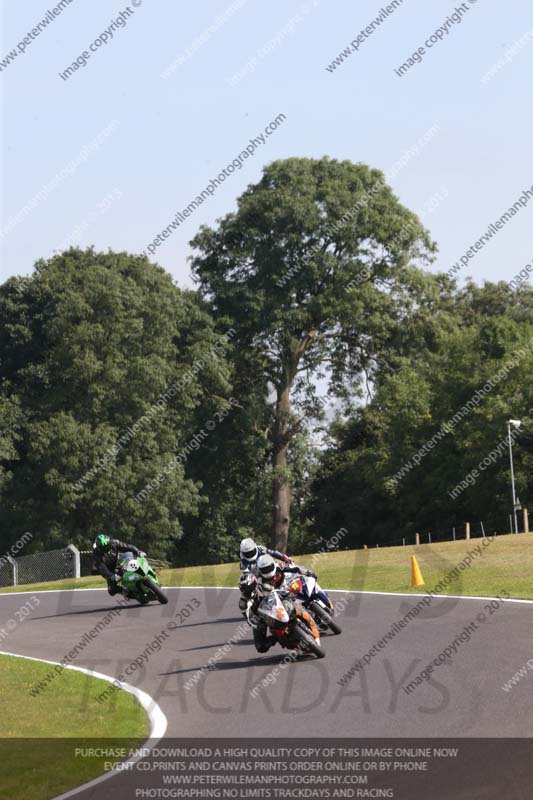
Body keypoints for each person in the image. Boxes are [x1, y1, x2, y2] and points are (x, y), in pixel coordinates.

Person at [248, 553, 316, 653]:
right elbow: (250, 607)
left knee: (297, 600)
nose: (267, 571)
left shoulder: (279, 566)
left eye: (269, 568)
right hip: (268, 607)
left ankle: (308, 615)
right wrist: (253, 619)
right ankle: (276, 637)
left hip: (284, 593)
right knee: (260, 647)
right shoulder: (257, 580)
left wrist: (308, 572)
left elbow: (296, 568)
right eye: (264, 569)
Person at [238, 537, 292, 614]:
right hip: (259, 576)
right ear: (243, 553)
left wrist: (284, 557)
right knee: (258, 591)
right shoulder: (243, 562)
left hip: (270, 567)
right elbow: (247, 575)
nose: (250, 554)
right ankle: (262, 608)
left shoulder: (260, 549)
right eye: (248, 553)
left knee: (286, 573)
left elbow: (272, 553)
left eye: (251, 551)